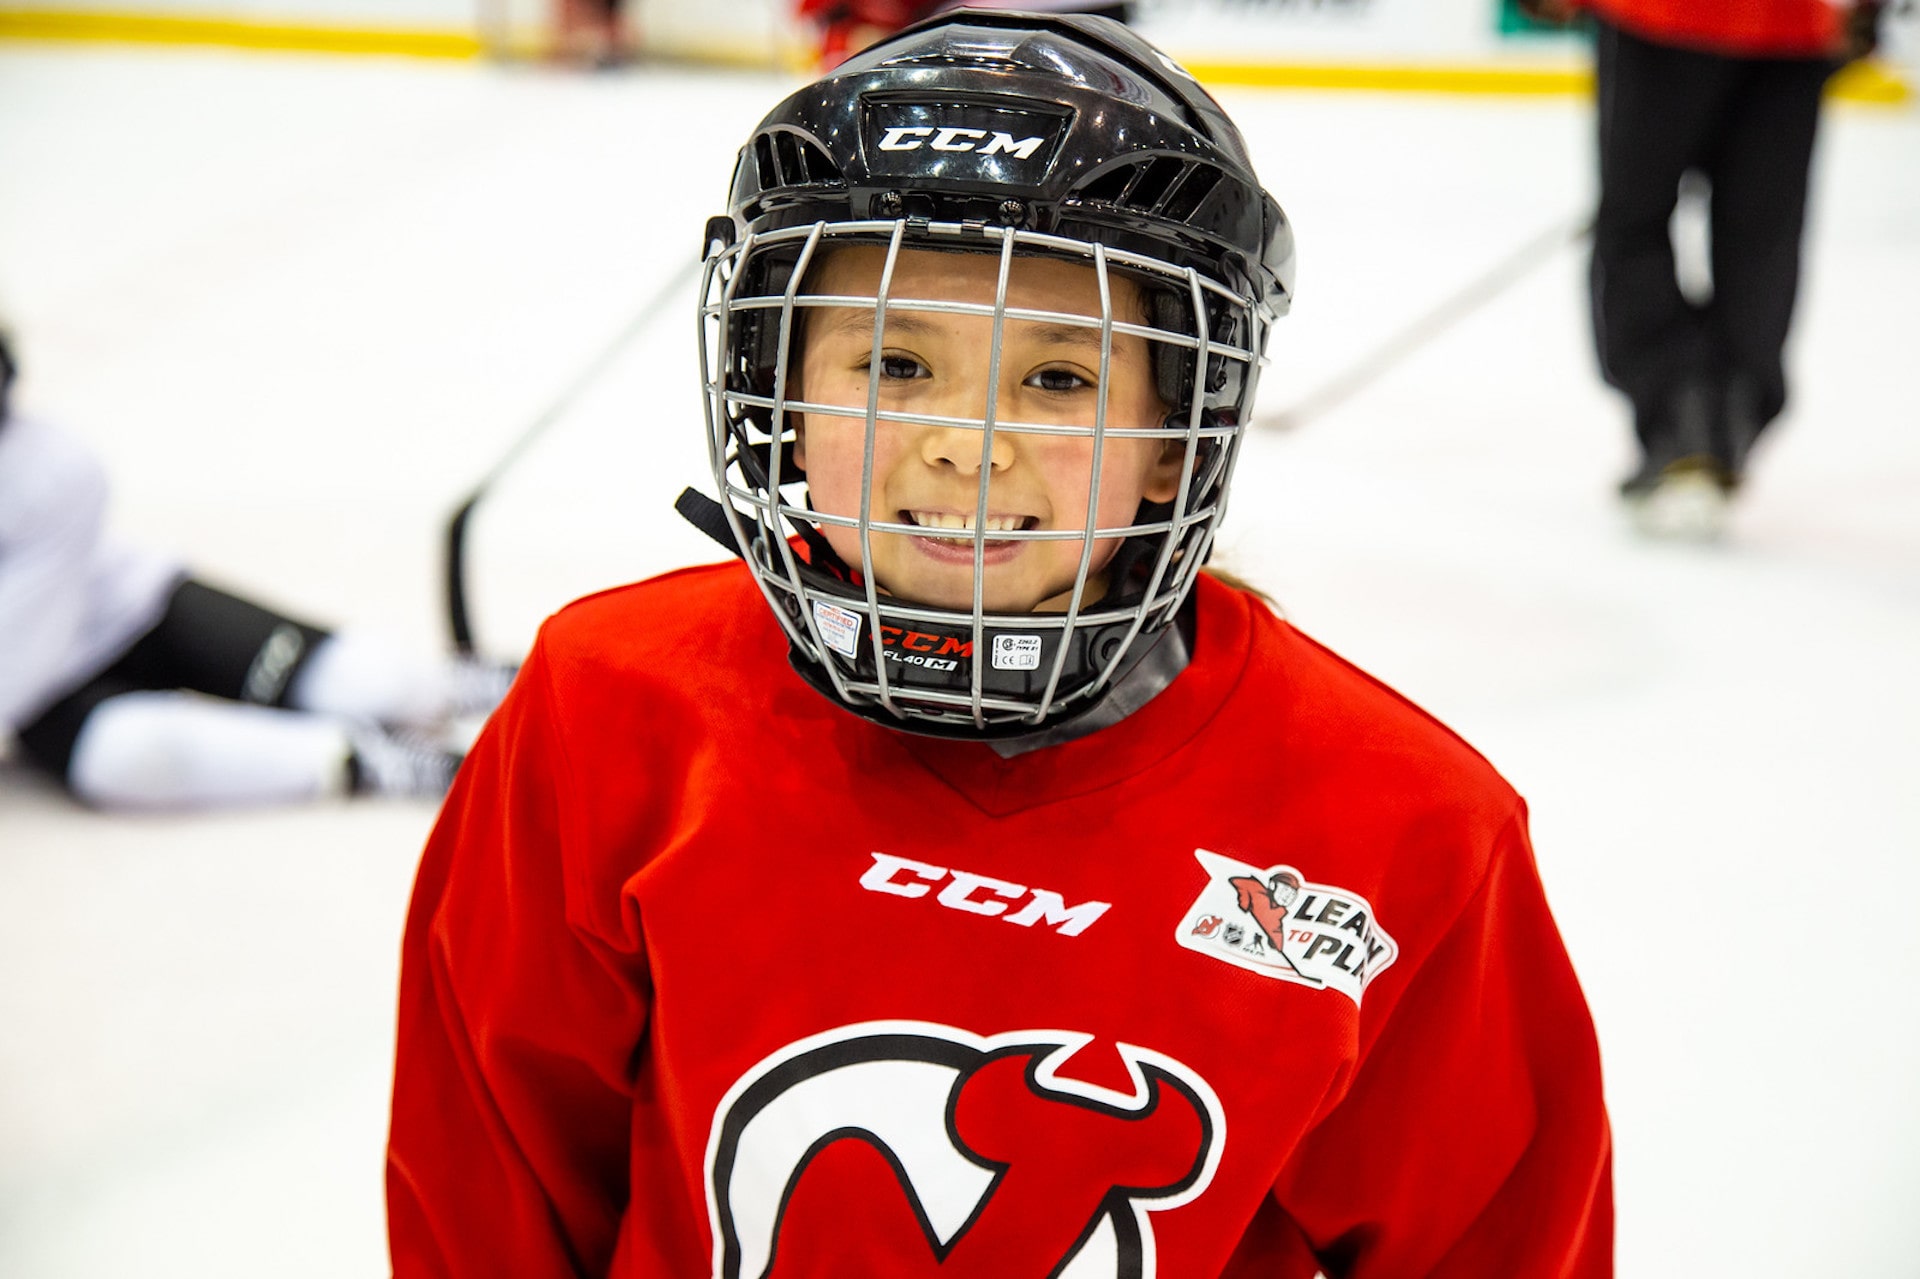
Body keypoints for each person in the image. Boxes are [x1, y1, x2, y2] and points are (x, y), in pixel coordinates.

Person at [387, 11, 1612, 1276]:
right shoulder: (612, 708)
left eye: (1060, 380)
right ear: (778, 392)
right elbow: (487, 1188)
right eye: (897, 361)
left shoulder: (1403, 830)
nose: (968, 444)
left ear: (1176, 431)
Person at [0, 330, 513, 810]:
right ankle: (364, 758)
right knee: (135, 759)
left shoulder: (49, 468)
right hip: (47, 685)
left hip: (132, 612)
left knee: (379, 683)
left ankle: (456, 685)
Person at [1521, 0, 1885, 538]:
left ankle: (1685, 418)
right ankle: (1719, 418)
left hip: (1677, 18)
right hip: (1790, 24)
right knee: (1758, 236)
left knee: (1639, 222)